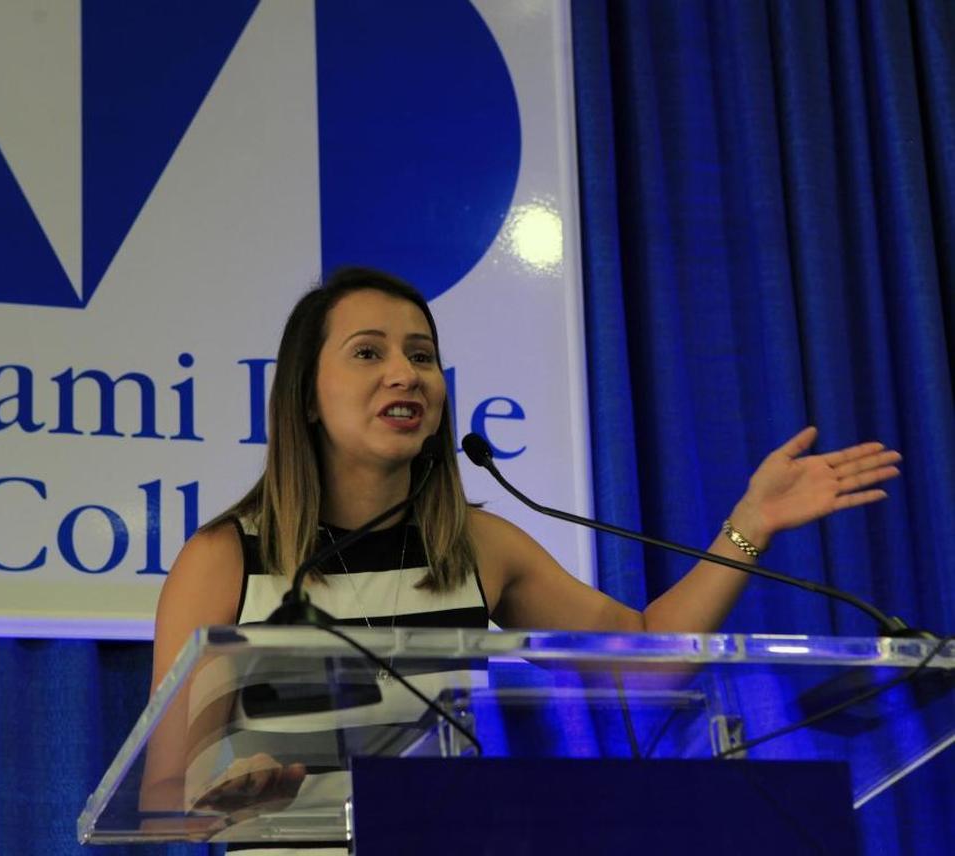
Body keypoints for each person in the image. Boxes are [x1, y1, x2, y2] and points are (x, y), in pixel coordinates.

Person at [147, 266, 900, 841]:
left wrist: (748, 526)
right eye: (368, 353)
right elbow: (159, 791)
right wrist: (225, 797)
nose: (405, 374)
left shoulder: (478, 546)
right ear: (307, 396)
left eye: (422, 355)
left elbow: (646, 661)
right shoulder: (224, 558)